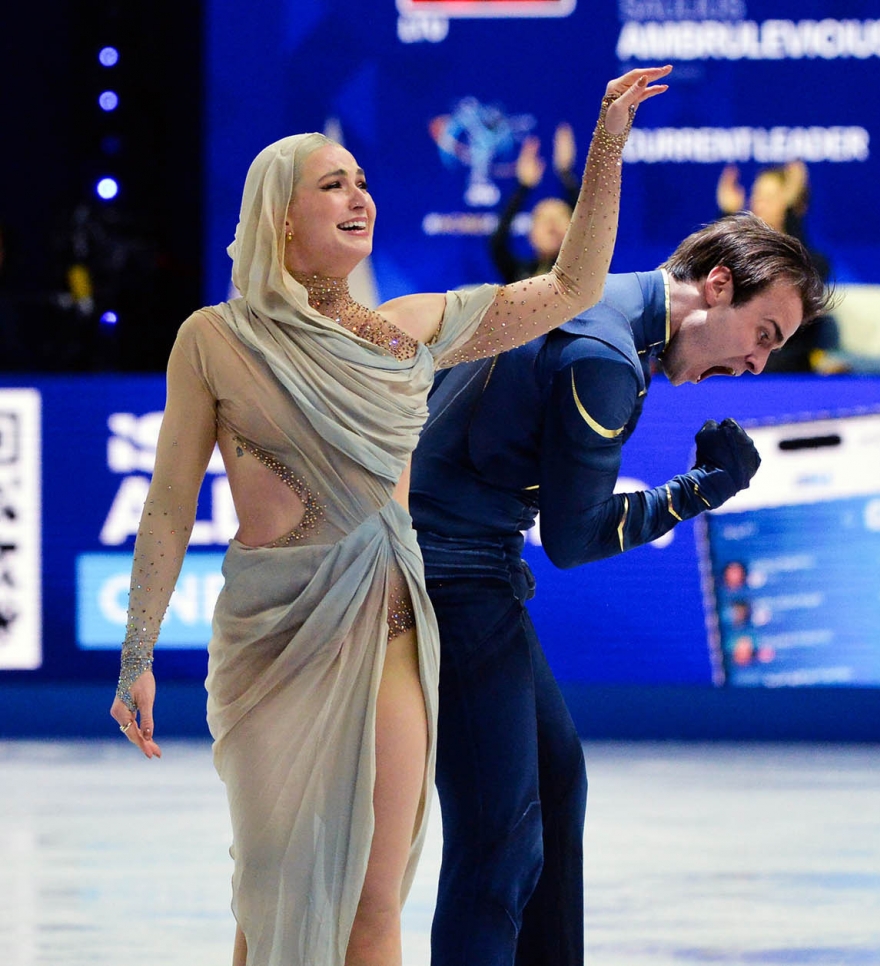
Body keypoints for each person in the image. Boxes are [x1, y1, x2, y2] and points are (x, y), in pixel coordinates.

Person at [106, 64, 671, 966]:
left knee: (377, 897)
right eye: (333, 184)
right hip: (276, 639)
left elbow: (569, 289)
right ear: (278, 216)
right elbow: (170, 507)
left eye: (364, 182)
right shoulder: (213, 340)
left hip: (392, 632)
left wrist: (605, 146)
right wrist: (139, 652)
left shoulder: (406, 332)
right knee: (275, 887)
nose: (358, 195)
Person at [410, 211, 833, 966]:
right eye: (764, 334)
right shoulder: (604, 356)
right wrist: (698, 490)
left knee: (554, 783)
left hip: (463, 563)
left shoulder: (593, 300)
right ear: (717, 285)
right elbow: (575, 539)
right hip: (451, 576)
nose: (759, 365)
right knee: (499, 843)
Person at [716, 161, 839, 372]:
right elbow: (717, 276)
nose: (758, 205)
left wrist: (791, 215)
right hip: (734, 368)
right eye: (756, 197)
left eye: (770, 198)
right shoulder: (738, 258)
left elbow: (794, 277)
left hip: (786, 369)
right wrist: (728, 218)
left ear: (795, 205)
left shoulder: (815, 263)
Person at [489, 123, 579, 283]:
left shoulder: (584, 271)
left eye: (561, 216)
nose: (552, 222)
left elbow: (594, 223)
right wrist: (523, 187)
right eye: (542, 218)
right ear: (531, 235)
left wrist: (567, 175)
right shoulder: (519, 273)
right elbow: (497, 243)